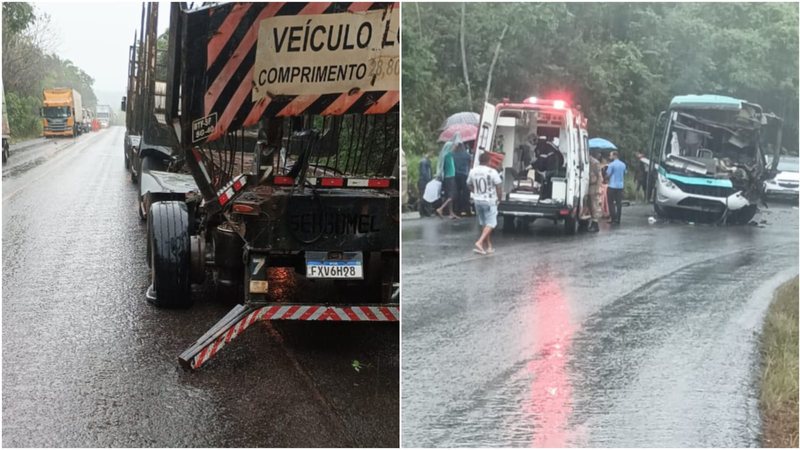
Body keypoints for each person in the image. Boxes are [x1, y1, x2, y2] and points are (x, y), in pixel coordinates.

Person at [467, 152, 503, 254]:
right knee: (491, 223)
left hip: (477, 200)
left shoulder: (473, 171)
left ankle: (488, 246)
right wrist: (499, 198)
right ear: (489, 161)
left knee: (484, 223)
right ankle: (479, 242)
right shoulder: (492, 172)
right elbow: (498, 187)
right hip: (490, 200)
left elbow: (468, 184)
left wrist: (475, 192)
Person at [436, 139, 459, 220]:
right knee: (453, 195)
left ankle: (451, 212)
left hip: (447, 177)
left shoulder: (445, 155)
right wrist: (457, 138)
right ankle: (440, 208)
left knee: (449, 196)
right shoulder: (448, 155)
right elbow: (456, 145)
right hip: (450, 177)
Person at [606, 151, 627, 225]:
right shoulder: (623, 164)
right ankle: (618, 219)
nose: (609, 157)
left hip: (612, 185)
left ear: (614, 156)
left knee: (610, 202)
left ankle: (613, 218)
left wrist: (606, 178)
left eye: (610, 155)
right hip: (620, 186)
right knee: (619, 203)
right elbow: (624, 173)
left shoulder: (611, 165)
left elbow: (608, 174)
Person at [452, 142, 472, 216]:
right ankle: (467, 210)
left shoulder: (453, 155)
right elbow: (470, 164)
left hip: (455, 175)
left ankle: (458, 210)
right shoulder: (467, 155)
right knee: (466, 193)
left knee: (457, 193)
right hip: (464, 175)